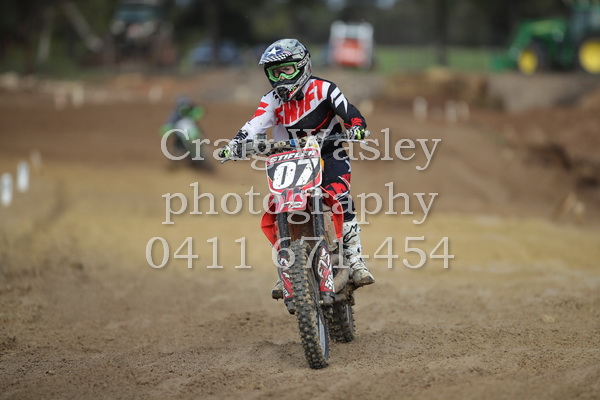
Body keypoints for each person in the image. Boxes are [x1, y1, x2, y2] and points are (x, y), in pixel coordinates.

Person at [218, 38, 374, 296]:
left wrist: (356, 127)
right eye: (275, 72)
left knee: (339, 196)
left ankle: (355, 260)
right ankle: (288, 271)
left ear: (302, 66)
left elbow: (351, 113)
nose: (281, 78)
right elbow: (253, 126)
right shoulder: (271, 100)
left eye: (286, 70)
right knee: (280, 207)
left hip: (328, 154)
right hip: (289, 160)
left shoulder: (324, 89)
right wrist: (235, 145)